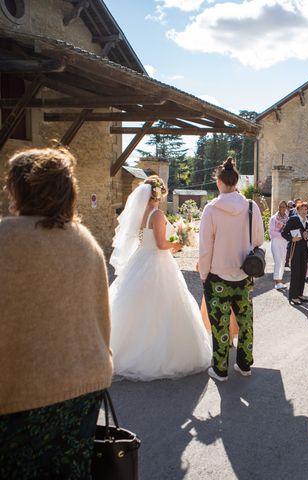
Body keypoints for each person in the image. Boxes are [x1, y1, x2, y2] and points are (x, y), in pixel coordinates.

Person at [0, 147, 112, 478]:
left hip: (18, 395)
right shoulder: (85, 242)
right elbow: (101, 318)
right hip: (83, 388)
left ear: (19, 188)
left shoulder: (4, 239)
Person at [109, 175, 212, 381]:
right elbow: (160, 244)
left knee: (135, 305)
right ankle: (156, 355)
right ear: (159, 193)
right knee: (163, 304)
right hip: (156, 261)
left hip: (140, 259)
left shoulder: (140, 213)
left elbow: (145, 240)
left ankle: (123, 350)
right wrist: (179, 244)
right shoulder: (156, 214)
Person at [199, 158, 264, 382]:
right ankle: (245, 364)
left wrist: (203, 274)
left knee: (220, 324)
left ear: (218, 182)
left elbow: (205, 248)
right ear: (236, 181)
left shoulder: (211, 209)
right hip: (245, 273)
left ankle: (220, 369)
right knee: (246, 321)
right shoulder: (250, 206)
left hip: (218, 275)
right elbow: (258, 239)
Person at [282, 202, 308, 305]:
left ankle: (299, 294)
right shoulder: (293, 219)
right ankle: (293, 297)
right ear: (298, 210)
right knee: (296, 272)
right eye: (302, 209)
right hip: (294, 248)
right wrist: (292, 238)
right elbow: (284, 233)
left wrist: (307, 236)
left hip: (304, 249)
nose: (304, 211)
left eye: (305, 209)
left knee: (303, 271)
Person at [269, 200, 289, 290]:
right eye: (280, 206)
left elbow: (289, 231)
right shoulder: (273, 218)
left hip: (284, 242)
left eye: (283, 207)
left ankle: (280, 280)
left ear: (286, 208)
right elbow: (271, 232)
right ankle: (277, 282)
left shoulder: (288, 219)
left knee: (283, 261)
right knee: (277, 261)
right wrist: (282, 234)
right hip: (275, 241)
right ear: (278, 207)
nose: (282, 208)